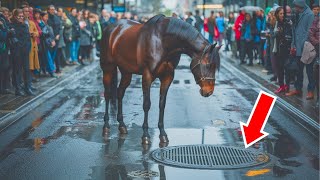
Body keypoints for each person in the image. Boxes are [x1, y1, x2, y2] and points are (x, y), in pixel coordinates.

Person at [286, 0, 315, 99]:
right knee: (298, 69)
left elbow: (309, 31)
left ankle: (311, 91)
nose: (296, 8)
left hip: (306, 47)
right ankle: (298, 89)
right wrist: (293, 45)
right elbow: (294, 30)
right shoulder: (296, 13)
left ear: (301, 5)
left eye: (297, 6)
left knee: (309, 70)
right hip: (297, 47)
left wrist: (304, 44)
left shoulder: (309, 14)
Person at [11, 9, 34, 96]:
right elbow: (13, 39)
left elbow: (28, 38)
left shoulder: (25, 26)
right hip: (17, 52)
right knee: (17, 70)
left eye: (22, 16)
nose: (21, 18)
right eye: (19, 16)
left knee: (27, 70)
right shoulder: (11, 25)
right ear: (15, 16)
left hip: (25, 51)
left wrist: (27, 48)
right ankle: (18, 89)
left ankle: (27, 87)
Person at [273, 7, 292, 94]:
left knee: (287, 68)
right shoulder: (277, 22)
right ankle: (281, 86)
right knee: (279, 68)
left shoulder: (288, 22)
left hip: (286, 49)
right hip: (277, 49)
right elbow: (275, 34)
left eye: (283, 13)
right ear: (277, 14)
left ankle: (287, 86)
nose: (282, 15)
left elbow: (289, 35)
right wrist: (278, 33)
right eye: (280, 13)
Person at [23, 6, 40, 84]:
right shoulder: (21, 22)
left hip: (32, 45)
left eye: (28, 11)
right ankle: (26, 82)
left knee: (32, 64)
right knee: (26, 65)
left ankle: (29, 82)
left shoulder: (31, 22)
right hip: (24, 45)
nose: (27, 13)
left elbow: (37, 32)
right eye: (25, 11)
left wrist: (34, 34)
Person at [308, 4, 319, 106]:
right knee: (313, 70)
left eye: (317, 9)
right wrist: (317, 43)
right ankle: (314, 93)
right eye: (314, 9)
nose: (316, 11)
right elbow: (310, 33)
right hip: (314, 48)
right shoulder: (312, 20)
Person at [40, 11, 56, 77]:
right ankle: (51, 71)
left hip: (48, 42)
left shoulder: (46, 23)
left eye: (47, 17)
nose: (47, 18)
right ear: (41, 17)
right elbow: (44, 33)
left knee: (48, 57)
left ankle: (48, 70)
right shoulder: (41, 24)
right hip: (44, 43)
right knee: (47, 57)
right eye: (45, 16)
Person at [0, 13, 10, 94]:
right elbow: (3, 36)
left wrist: (3, 26)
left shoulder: (2, 20)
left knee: (5, 68)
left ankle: (4, 87)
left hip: (4, 49)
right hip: (2, 49)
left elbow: (6, 34)